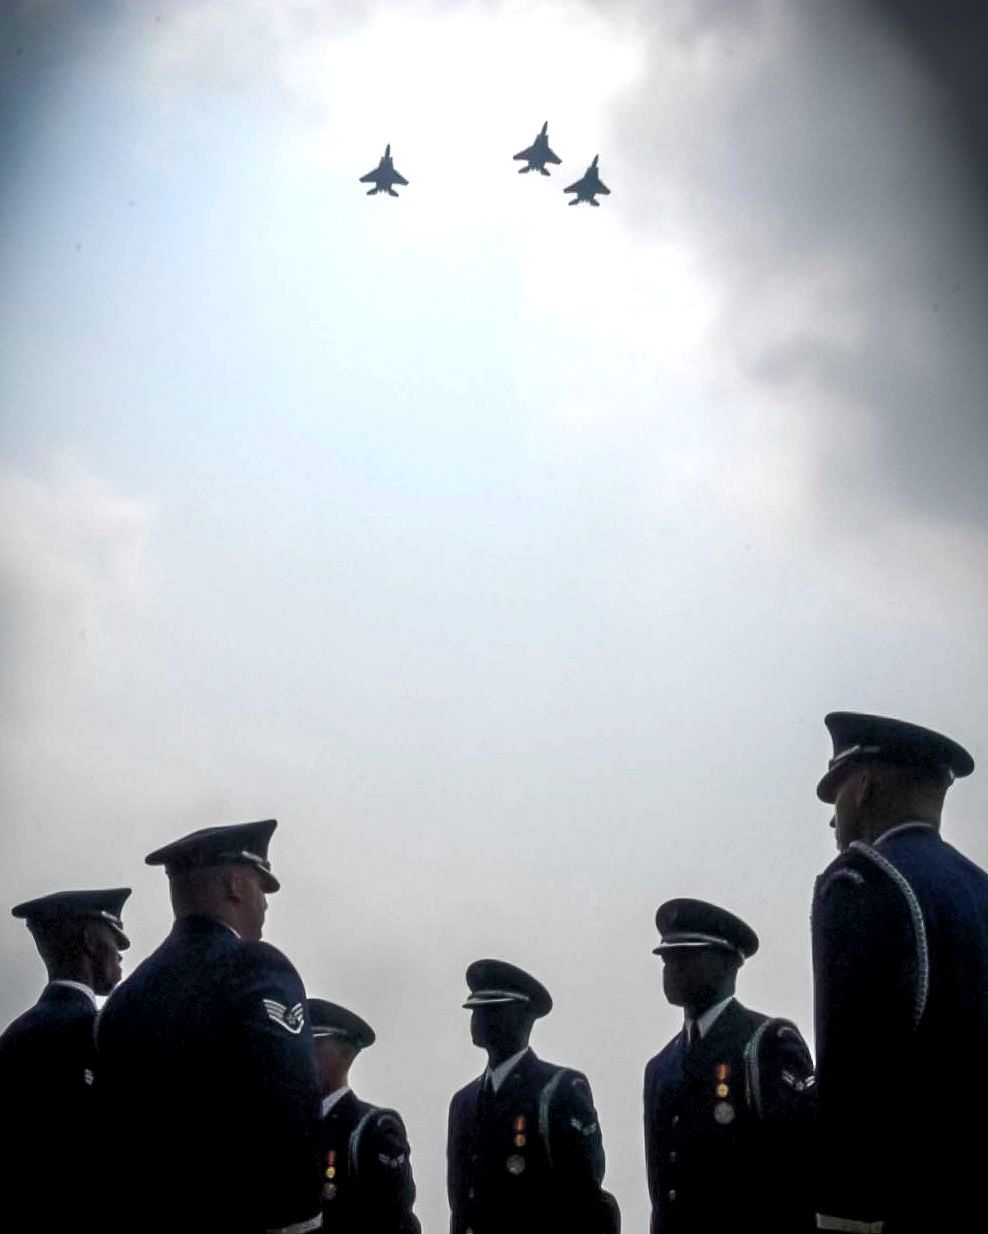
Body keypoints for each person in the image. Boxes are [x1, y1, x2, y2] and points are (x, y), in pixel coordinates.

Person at [95, 819, 323, 1234]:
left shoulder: (125, 1000)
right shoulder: (257, 968)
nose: (265, 904)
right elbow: (290, 1109)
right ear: (235, 884)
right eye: (260, 886)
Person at [811, 711, 987, 1233]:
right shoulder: (979, 890)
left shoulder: (861, 879)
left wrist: (843, 1220)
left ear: (862, 787)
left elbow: (852, 1080)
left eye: (836, 794)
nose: (832, 820)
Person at [644, 898, 814, 1234]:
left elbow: (800, 1169)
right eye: (667, 959)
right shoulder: (660, 1067)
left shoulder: (764, 1043)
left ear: (727, 963)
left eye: (686, 957)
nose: (672, 968)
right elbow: (663, 1195)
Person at [447, 958, 620, 1234]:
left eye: (493, 1010)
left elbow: (586, 1197)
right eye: (477, 1010)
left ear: (523, 1016)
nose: (480, 1019)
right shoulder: (464, 1102)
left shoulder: (558, 1090)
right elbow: (461, 1206)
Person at [0, 888, 130, 1231]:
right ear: (89, 941)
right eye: (114, 940)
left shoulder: (15, 1035)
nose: (119, 956)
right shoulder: (93, 1032)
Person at [309, 999, 420, 1234]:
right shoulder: (296, 1125)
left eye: (316, 1047)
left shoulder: (372, 1129)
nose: (305, 1058)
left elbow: (396, 1221)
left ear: (344, 1055)